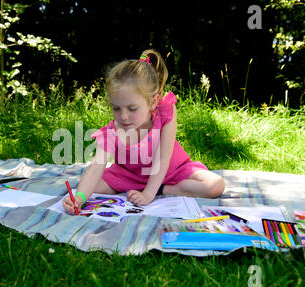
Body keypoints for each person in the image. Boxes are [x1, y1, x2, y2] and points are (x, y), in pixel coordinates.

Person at [63, 49, 225, 215]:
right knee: (91, 186)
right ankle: (140, 188)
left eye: (132, 108)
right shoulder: (112, 132)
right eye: (116, 108)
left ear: (152, 101)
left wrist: (149, 194)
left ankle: (164, 189)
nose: (123, 116)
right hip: (129, 176)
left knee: (214, 185)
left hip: (171, 171)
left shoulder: (165, 113)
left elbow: (163, 158)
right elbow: (96, 167)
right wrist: (80, 198)